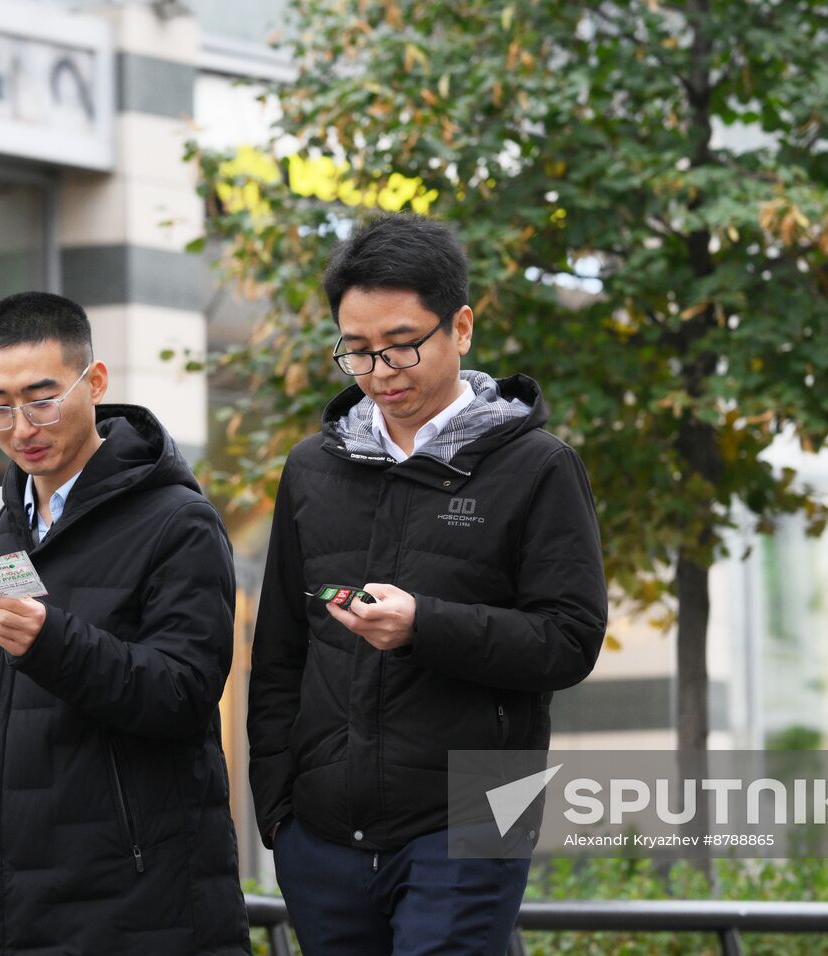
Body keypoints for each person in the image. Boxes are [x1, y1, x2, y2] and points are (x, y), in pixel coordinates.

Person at [248, 214, 608, 955]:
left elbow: (569, 642)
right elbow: (281, 648)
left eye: (404, 344)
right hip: (319, 837)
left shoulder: (537, 466)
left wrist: (426, 627)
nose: (383, 371)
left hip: (473, 817)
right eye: (358, 352)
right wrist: (278, 809)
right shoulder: (312, 469)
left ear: (461, 328)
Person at [0, 292, 248, 955]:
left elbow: (184, 692)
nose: (21, 426)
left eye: (42, 399)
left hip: (128, 905)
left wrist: (52, 642)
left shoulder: (177, 522)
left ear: (94, 382)